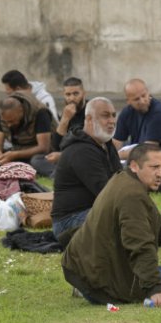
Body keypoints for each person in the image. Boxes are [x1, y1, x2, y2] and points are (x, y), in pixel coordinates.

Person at [61, 144, 161, 306]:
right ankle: (91, 291)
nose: (160, 174)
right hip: (97, 280)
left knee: (157, 272)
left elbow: (153, 216)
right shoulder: (132, 195)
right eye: (154, 167)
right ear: (134, 166)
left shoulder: (123, 178)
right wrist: (155, 290)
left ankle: (86, 288)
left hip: (84, 268)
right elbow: (140, 244)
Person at [51, 97, 121, 238]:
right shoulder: (81, 150)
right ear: (89, 119)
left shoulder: (106, 143)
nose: (112, 121)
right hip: (68, 221)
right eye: (105, 116)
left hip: (94, 210)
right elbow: (105, 191)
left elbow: (120, 178)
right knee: (124, 217)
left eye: (113, 115)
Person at [0, 93, 53, 176]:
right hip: (16, 152)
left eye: (12, 121)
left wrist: (15, 155)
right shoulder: (2, 117)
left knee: (36, 161)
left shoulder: (40, 113)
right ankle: (19, 168)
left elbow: (44, 148)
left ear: (21, 111)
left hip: (36, 153)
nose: (9, 125)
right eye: (6, 122)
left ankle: (22, 168)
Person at [112, 78, 161, 159]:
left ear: (148, 92)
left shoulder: (159, 113)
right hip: (140, 160)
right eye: (136, 99)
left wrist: (117, 156)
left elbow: (148, 149)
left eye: (144, 95)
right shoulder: (127, 113)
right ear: (128, 101)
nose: (142, 101)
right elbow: (116, 142)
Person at [45, 77, 88, 164]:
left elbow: (87, 144)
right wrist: (65, 119)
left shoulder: (91, 110)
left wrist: (63, 155)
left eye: (76, 94)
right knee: (37, 159)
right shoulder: (66, 113)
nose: (72, 98)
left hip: (84, 154)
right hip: (65, 153)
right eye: (68, 95)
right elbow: (55, 146)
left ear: (84, 94)